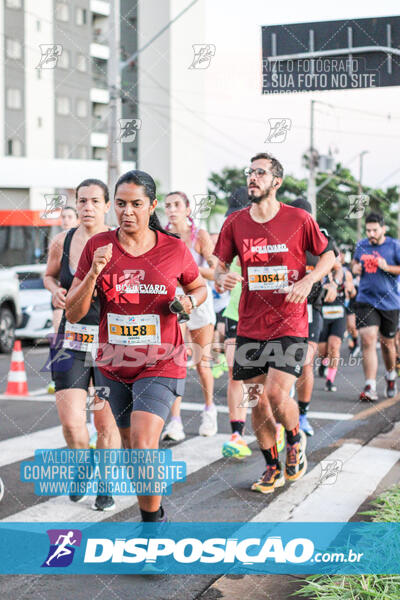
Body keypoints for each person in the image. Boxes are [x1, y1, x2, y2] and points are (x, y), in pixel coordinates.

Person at [65, 170, 207, 523]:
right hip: (113, 364)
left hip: (161, 362)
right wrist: (93, 275)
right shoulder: (99, 247)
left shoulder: (173, 248)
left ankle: (151, 527)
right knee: (131, 449)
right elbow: (73, 309)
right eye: (121, 204)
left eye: (136, 204)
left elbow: (199, 287)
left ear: (152, 206)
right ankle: (153, 512)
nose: (127, 212)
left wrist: (189, 303)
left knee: (144, 445)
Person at [213, 152, 335, 494]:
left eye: (261, 173)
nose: (253, 177)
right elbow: (220, 264)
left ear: (276, 182)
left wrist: (309, 281)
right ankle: (271, 467)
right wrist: (222, 278)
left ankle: (294, 439)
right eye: (250, 172)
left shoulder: (298, 219)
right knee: (256, 400)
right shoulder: (235, 223)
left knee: (276, 393)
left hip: (289, 322)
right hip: (250, 324)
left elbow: (328, 254)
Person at [44, 179, 120, 511]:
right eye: (82, 201)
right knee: (72, 422)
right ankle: (83, 463)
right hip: (69, 341)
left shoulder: (121, 243)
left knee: (105, 422)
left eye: (94, 201)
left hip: (111, 344)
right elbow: (49, 275)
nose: (87, 207)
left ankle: (104, 485)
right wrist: (54, 290)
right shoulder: (63, 240)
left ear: (107, 206)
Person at [161, 191, 218, 441]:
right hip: (173, 303)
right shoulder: (162, 235)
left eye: (176, 205)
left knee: (201, 363)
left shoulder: (200, 236)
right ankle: (175, 422)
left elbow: (216, 270)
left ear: (187, 209)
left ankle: (209, 411)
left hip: (199, 300)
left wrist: (188, 270)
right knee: (175, 362)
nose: (172, 210)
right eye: (168, 206)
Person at [290, 198, 338, 435]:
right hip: (283, 307)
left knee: (306, 360)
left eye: (304, 218)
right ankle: (282, 411)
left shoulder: (321, 237)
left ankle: (303, 414)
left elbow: (336, 266)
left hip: (311, 307)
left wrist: (335, 284)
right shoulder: (281, 237)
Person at [352, 212, 400, 401]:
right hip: (366, 299)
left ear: (383, 229)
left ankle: (390, 376)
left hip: (390, 302)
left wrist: (387, 267)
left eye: (375, 230)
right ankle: (370, 386)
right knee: (368, 339)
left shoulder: (394, 246)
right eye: (368, 230)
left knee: (387, 345)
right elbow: (355, 264)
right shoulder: (362, 245)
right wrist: (355, 268)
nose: (371, 233)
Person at [48, 206, 80, 394]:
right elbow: (49, 275)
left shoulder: (95, 238)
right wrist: (55, 290)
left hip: (87, 304)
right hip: (62, 296)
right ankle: (57, 376)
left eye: (70, 216)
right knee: (57, 331)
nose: (66, 220)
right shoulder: (59, 241)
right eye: (64, 217)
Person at [319, 254, 357, 392]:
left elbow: (353, 294)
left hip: (339, 315)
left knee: (334, 347)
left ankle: (330, 380)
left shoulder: (346, 274)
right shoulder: (320, 271)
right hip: (322, 315)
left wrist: (350, 289)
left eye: (337, 258)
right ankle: (323, 363)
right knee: (322, 352)